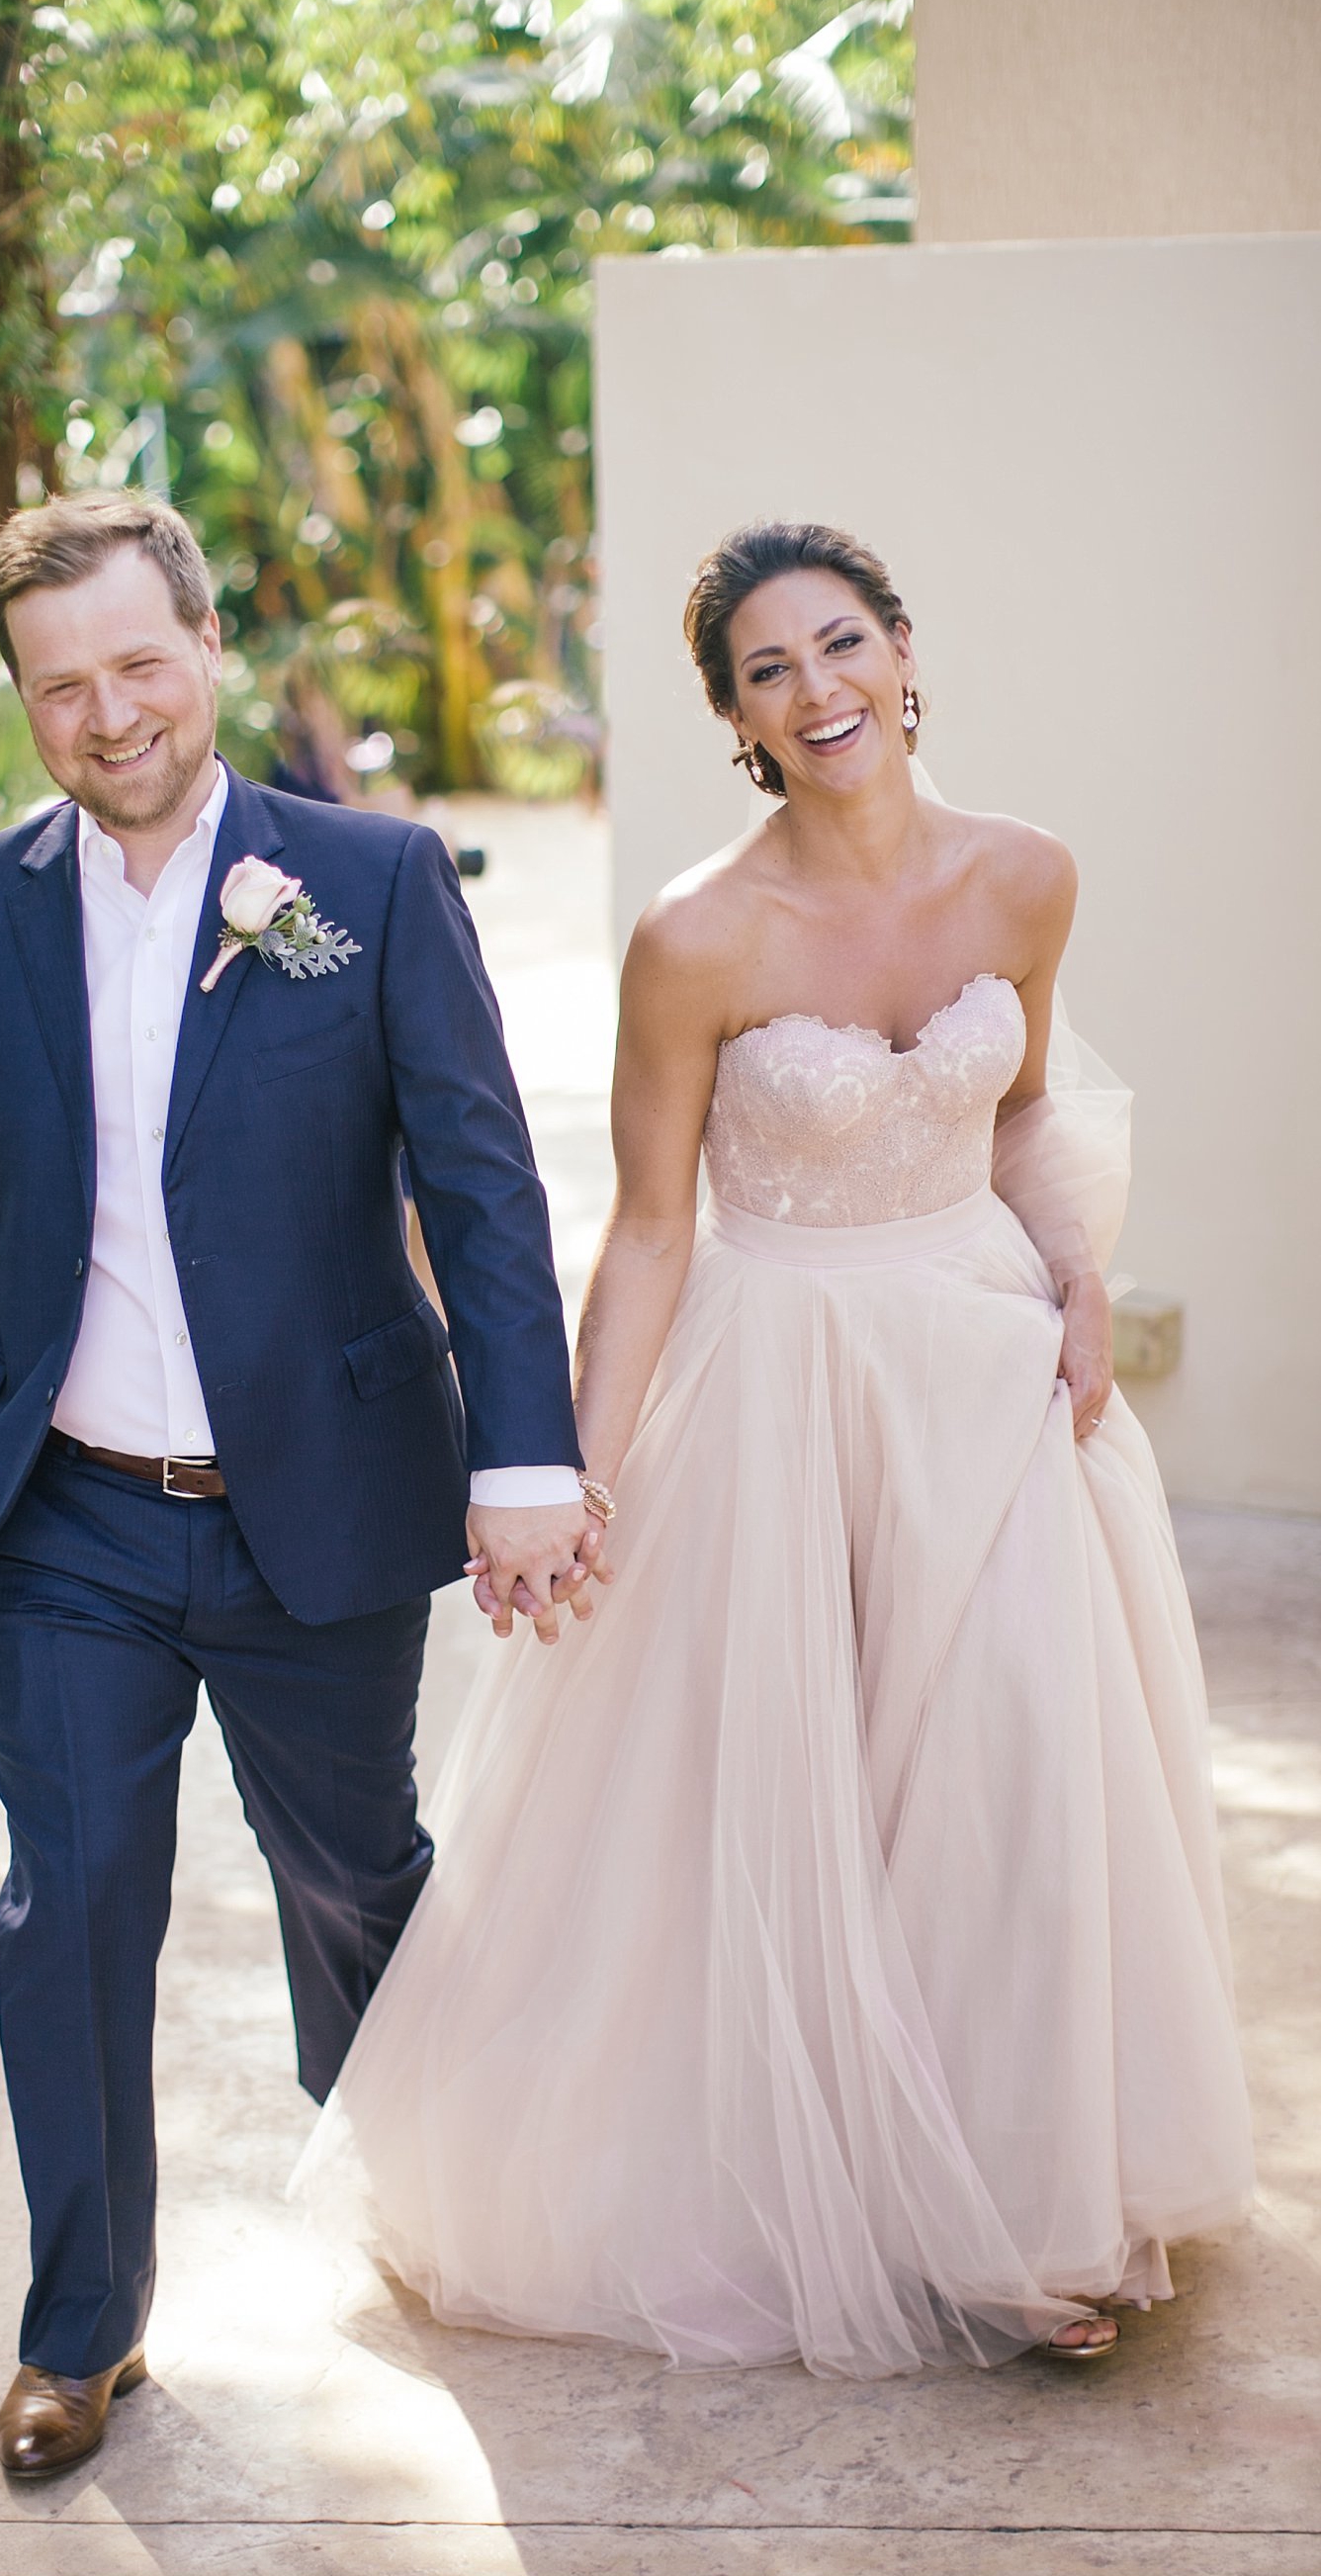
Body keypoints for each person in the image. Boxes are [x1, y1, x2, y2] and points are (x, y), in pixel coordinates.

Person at [297, 519, 1256, 2376]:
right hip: (776, 1379)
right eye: (767, 670)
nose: (816, 689)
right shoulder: (695, 936)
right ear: (735, 718)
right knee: (787, 1796)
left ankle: (1018, 2210)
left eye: (839, 644)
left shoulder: (1028, 875)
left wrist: (1079, 1277)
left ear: (903, 649)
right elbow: (655, 1228)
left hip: (985, 1366)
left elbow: (1027, 1111)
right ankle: (835, 2191)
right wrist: (570, 1477)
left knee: (1009, 1777)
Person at [0, 490, 599, 2477]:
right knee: (72, 1902)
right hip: (63, 1517)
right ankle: (79, 2328)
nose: (107, 714)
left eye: (135, 663)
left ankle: (423, 2184)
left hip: (319, 1496)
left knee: (352, 1869)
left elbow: (483, 1185)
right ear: (24, 703)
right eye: (59, 685)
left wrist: (525, 1449)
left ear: (206, 645)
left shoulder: (366, 877)